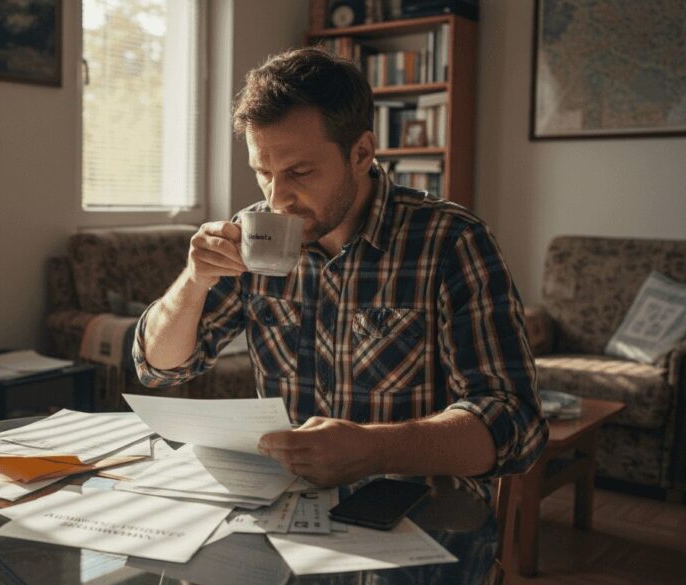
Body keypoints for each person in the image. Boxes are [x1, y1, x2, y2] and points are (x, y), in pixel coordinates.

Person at [131, 47, 547, 498]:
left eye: (300, 171)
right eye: (263, 172)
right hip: (286, 501)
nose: (278, 200)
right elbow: (159, 367)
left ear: (362, 152)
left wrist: (375, 449)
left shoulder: (451, 241)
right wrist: (194, 282)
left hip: (418, 512)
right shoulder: (255, 234)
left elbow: (515, 421)